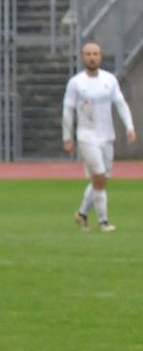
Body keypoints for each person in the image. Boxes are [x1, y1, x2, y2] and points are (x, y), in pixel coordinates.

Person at [64, 41, 136, 233]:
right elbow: (68, 110)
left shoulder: (109, 80)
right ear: (82, 57)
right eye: (88, 54)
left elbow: (121, 104)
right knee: (99, 175)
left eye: (95, 54)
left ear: (101, 57)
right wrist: (67, 136)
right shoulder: (76, 83)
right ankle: (103, 222)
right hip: (86, 136)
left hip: (107, 136)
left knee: (101, 179)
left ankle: (82, 213)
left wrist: (129, 126)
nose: (92, 58)